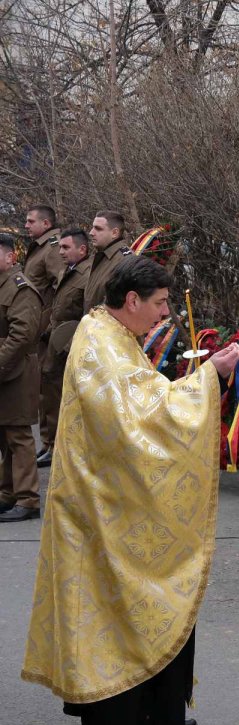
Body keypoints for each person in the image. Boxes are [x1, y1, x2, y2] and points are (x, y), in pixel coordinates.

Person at [21, 255, 239, 725]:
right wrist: (211, 377)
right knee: (117, 605)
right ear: (132, 300)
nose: (166, 315)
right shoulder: (99, 342)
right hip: (98, 510)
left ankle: (153, 714)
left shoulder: (113, 335)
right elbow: (139, 416)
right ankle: (121, 719)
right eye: (161, 304)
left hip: (110, 500)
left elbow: (141, 400)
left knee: (136, 602)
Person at [35, 228, 93, 469]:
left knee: (61, 398)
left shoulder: (87, 274)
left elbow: (87, 313)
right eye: (59, 247)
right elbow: (58, 304)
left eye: (65, 247)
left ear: (82, 249)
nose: (60, 252)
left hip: (69, 346)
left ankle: (59, 447)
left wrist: (70, 346)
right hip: (54, 342)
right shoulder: (68, 270)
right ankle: (49, 444)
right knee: (48, 393)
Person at [0, 234, 44, 523]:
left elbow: (22, 335)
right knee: (5, 434)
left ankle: (28, 499)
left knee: (19, 436)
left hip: (14, 371)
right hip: (6, 370)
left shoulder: (20, 289)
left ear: (9, 257)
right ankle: (8, 493)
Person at [23, 205, 65, 466]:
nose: (26, 225)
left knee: (49, 386)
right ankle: (47, 442)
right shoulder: (40, 246)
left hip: (47, 327)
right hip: (35, 325)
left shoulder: (52, 247)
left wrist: (50, 322)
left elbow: (62, 284)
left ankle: (52, 444)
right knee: (41, 385)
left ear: (46, 224)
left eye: (30, 221)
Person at [82, 210, 131, 311]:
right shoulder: (99, 257)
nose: (91, 233)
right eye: (92, 227)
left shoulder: (125, 261)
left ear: (114, 233)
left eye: (98, 229)